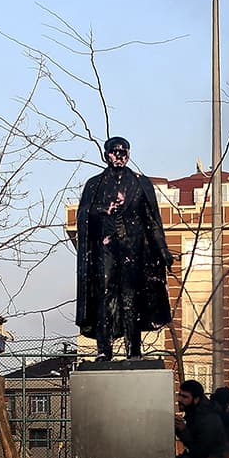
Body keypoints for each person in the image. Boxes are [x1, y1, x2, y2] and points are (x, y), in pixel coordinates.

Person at [75, 136, 174, 361]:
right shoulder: (95, 184)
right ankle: (104, 349)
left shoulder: (141, 183)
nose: (119, 156)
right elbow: (83, 216)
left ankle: (134, 351)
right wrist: (101, 211)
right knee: (104, 295)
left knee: (132, 298)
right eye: (114, 152)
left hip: (134, 250)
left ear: (128, 154)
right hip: (104, 249)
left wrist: (163, 250)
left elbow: (152, 220)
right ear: (106, 155)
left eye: (123, 151)